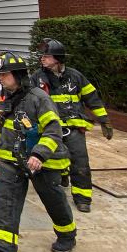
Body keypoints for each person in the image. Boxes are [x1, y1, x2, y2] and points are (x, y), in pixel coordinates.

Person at [0, 51, 75, 252]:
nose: (0, 78)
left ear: (19, 75)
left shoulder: (39, 98)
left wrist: (39, 154)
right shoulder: (0, 99)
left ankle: (67, 235)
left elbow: (53, 130)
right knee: (5, 199)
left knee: (52, 199)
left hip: (43, 161)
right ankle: (2, 246)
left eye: (5, 75)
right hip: (13, 159)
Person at [31, 38, 112, 213]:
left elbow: (92, 98)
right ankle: (61, 178)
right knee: (53, 160)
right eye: (42, 56)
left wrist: (104, 120)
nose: (42, 59)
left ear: (58, 58)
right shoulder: (37, 78)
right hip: (50, 130)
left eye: (46, 56)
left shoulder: (75, 76)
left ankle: (83, 198)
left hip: (74, 128)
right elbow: (30, 102)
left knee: (80, 163)